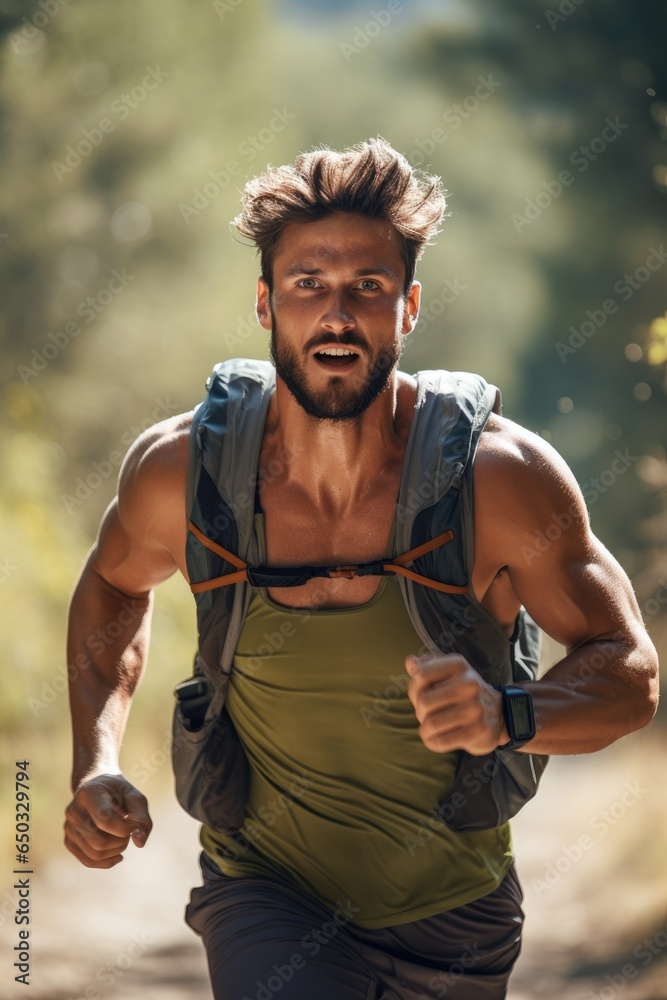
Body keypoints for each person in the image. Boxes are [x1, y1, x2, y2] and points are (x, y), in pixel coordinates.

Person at [64, 136, 659, 999]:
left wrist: (506, 714)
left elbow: (630, 673)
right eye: (307, 285)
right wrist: (96, 760)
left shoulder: (499, 482)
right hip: (262, 892)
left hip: (456, 917)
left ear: (407, 308)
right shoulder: (183, 472)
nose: (335, 315)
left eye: (366, 289)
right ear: (266, 305)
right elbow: (115, 585)